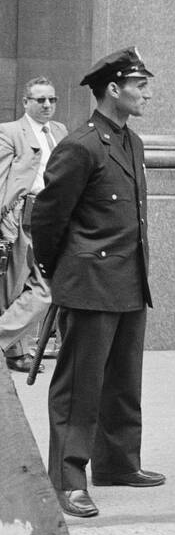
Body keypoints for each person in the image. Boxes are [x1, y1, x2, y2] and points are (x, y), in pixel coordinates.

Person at [31, 48, 164, 519]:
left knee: (124, 381)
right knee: (79, 386)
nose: (147, 92)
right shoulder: (82, 145)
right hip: (89, 282)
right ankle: (68, 478)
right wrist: (57, 272)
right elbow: (47, 218)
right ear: (114, 89)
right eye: (140, 84)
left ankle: (118, 462)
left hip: (129, 278)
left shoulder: (133, 142)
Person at [0, 76, 67, 372]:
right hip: (22, 216)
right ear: (26, 102)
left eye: (52, 99)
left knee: (46, 288)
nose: (47, 105)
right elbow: (2, 179)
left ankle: (11, 347)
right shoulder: (10, 132)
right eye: (40, 100)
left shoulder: (61, 131)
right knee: (13, 289)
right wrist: (4, 220)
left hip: (54, 219)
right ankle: (16, 354)